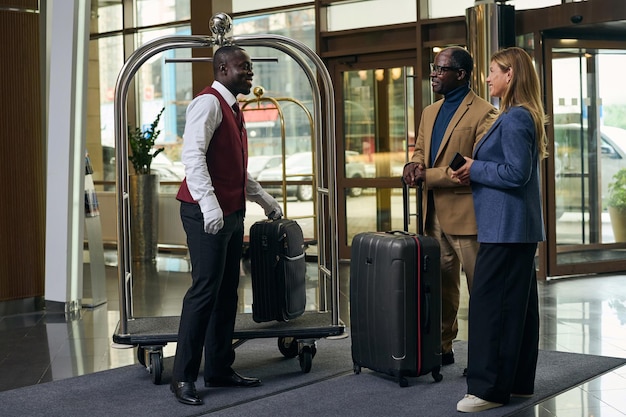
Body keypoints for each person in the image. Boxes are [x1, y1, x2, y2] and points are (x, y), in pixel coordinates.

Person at [171, 45, 283, 406]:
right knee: (204, 292)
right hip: (206, 213)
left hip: (232, 213)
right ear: (221, 69)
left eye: (250, 68)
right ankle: (183, 377)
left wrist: (263, 199)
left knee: (227, 293)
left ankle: (219, 368)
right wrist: (208, 205)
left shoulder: (233, 107)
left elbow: (235, 166)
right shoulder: (207, 103)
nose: (249, 73)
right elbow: (192, 156)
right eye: (242, 68)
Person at [452, 46, 547, 413]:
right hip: (513, 228)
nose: (487, 77)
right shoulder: (518, 116)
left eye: (493, 71)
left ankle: (488, 390)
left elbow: (515, 173)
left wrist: (474, 168)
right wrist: (474, 170)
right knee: (520, 311)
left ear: (511, 75)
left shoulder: (517, 118)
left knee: (492, 309)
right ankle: (518, 383)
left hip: (506, 229)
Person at [402, 46, 498, 365]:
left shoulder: (484, 112)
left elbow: (472, 169)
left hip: (468, 216)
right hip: (433, 216)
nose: (434, 73)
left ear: (462, 74)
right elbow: (419, 151)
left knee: (481, 289)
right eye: (434, 67)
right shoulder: (430, 112)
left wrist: (425, 175)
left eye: (441, 69)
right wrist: (411, 166)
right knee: (441, 287)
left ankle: (486, 356)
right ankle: (443, 346)